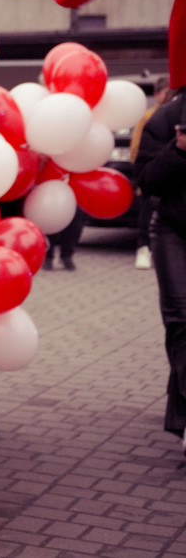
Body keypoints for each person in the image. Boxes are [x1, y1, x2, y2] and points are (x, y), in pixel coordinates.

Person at [135, 86, 186, 456]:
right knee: (182, 321)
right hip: (174, 231)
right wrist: (178, 150)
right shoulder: (166, 118)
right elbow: (148, 180)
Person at [131, 76, 172, 270]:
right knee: (147, 211)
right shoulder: (150, 117)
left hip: (170, 173)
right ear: (158, 95)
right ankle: (143, 247)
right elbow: (137, 146)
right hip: (153, 172)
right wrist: (141, 174)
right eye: (166, 93)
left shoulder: (175, 115)